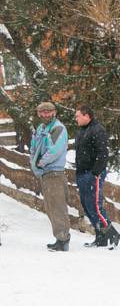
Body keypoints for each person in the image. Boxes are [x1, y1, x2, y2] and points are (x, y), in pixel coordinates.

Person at [74, 105, 120, 249]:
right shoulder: (82, 131)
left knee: (95, 207)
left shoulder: (97, 130)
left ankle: (112, 233)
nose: (76, 118)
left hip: (93, 173)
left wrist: (95, 173)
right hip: (82, 172)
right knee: (87, 206)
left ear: (87, 116)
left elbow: (103, 154)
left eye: (78, 116)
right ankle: (100, 236)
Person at [30, 102, 71, 252]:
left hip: (54, 172)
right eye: (42, 112)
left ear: (54, 112)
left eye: (48, 111)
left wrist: (41, 163)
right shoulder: (41, 128)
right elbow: (33, 147)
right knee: (50, 207)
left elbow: (55, 151)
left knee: (58, 206)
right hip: (44, 174)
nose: (45, 114)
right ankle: (59, 237)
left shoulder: (57, 128)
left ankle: (63, 238)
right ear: (38, 114)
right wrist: (33, 162)